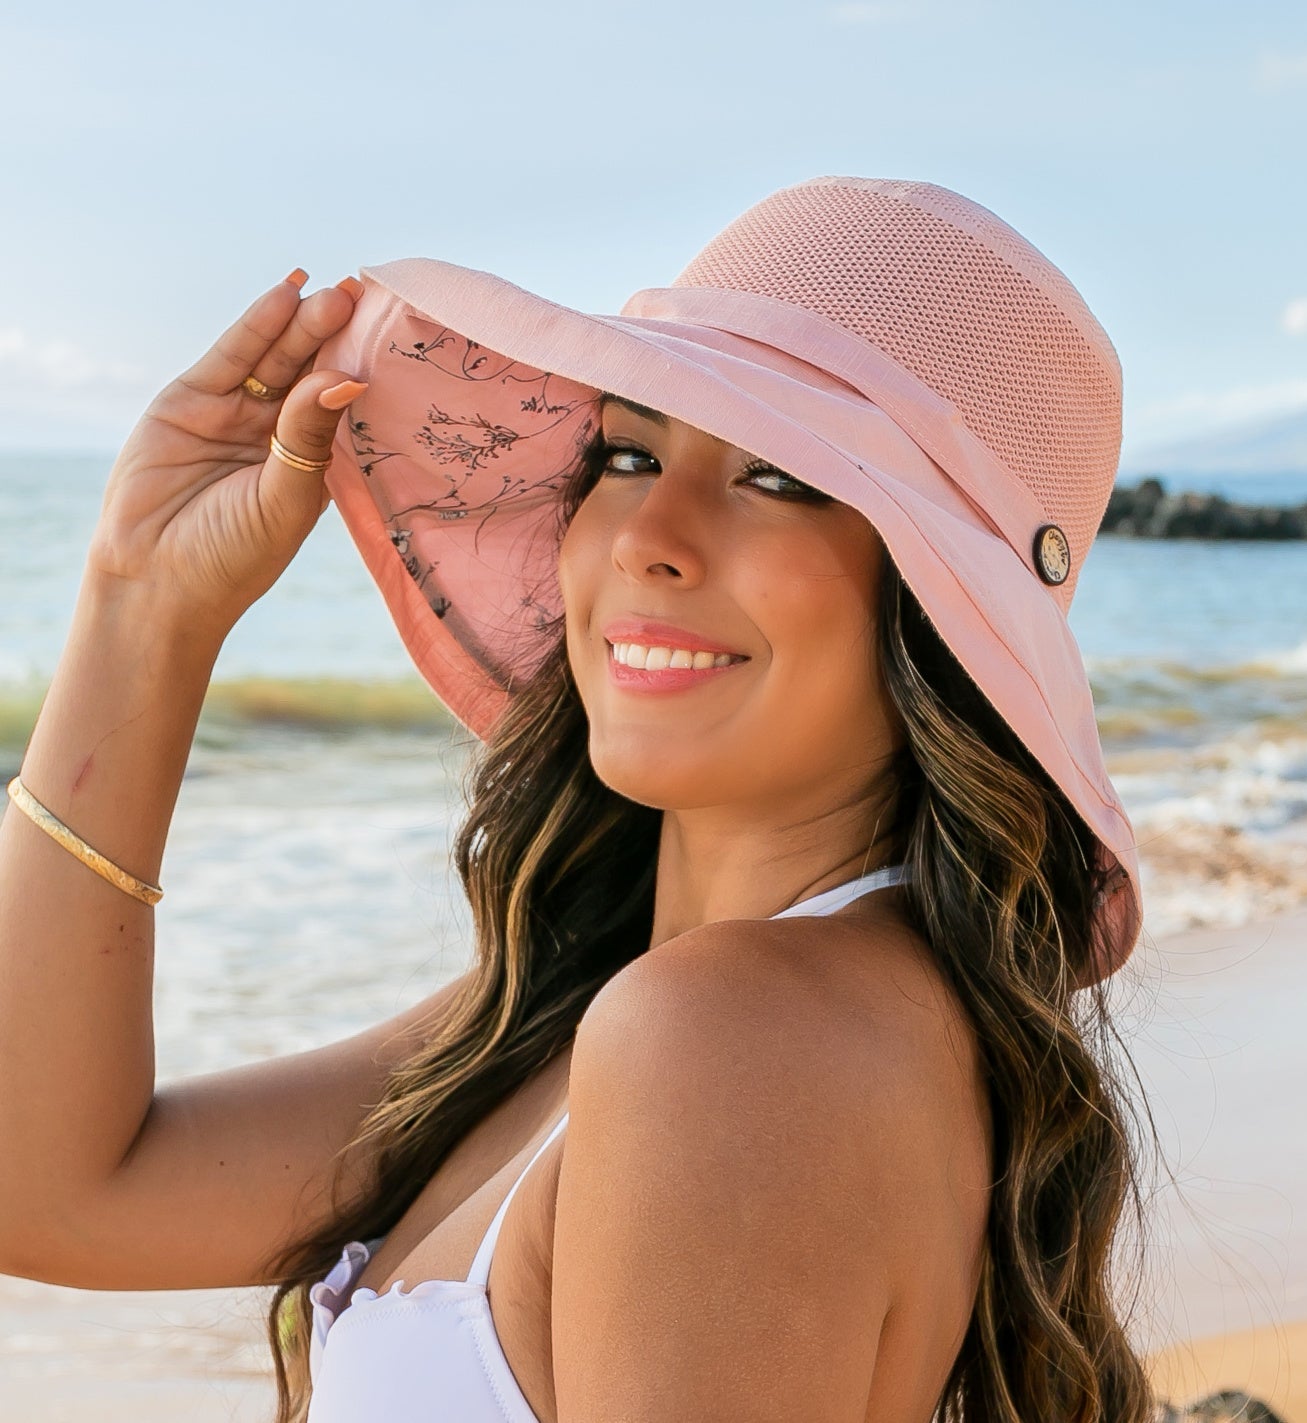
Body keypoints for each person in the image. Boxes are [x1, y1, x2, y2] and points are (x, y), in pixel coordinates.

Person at [0, 176, 1158, 1422]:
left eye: (779, 479)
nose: (647, 533)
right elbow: (52, 1192)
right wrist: (143, 604)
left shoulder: (726, 1038)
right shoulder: (629, 1011)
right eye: (627, 454)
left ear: (939, 610)